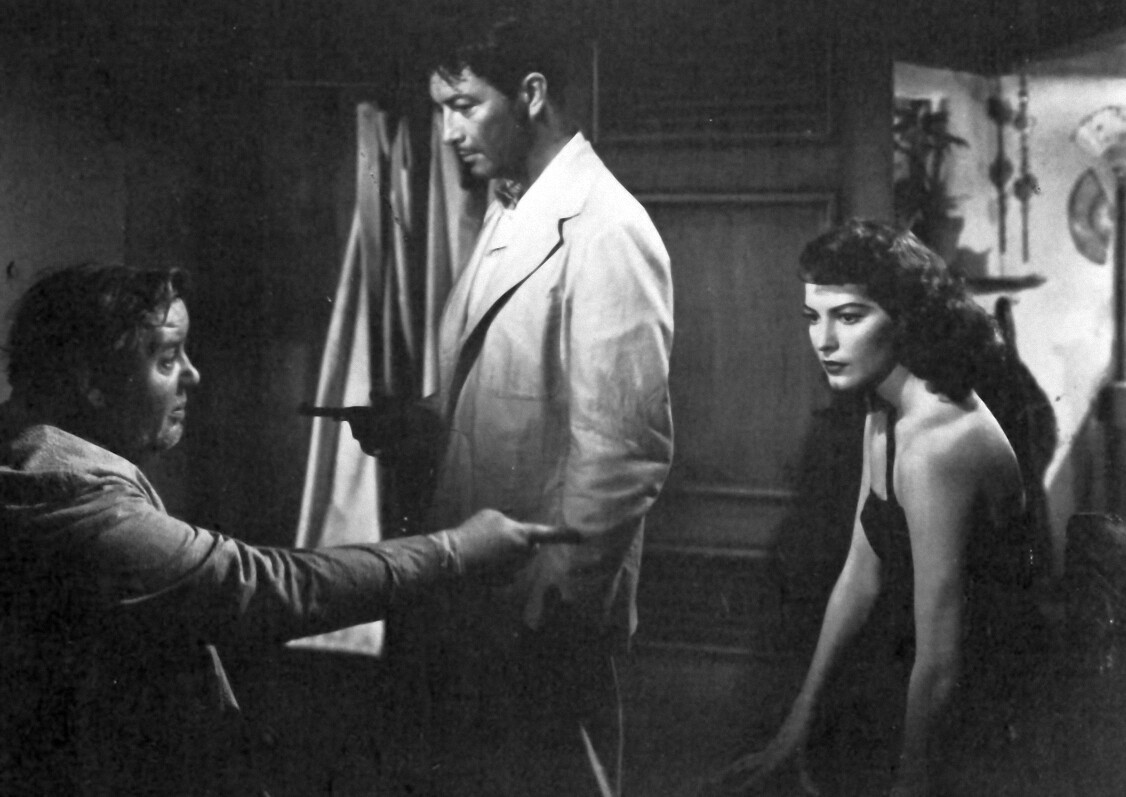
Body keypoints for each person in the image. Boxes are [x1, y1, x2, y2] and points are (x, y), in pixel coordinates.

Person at [0, 262, 570, 796]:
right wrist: (455, 552)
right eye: (167, 359)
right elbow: (256, 585)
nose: (193, 375)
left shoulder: (41, 453)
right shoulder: (54, 485)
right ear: (91, 382)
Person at [380, 12, 674, 797]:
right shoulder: (512, 207)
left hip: (538, 615)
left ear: (532, 94)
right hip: (477, 600)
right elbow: (509, 388)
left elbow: (624, 452)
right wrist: (425, 420)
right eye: (442, 109)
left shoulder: (606, 229)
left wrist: (558, 611)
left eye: (464, 106)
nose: (448, 132)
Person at [712, 220, 1027, 796]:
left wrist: (908, 788)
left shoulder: (937, 446)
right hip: (903, 685)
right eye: (813, 317)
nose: (824, 340)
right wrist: (793, 731)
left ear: (906, 317)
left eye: (850, 317)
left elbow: (943, 664)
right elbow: (860, 576)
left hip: (976, 723)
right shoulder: (884, 410)